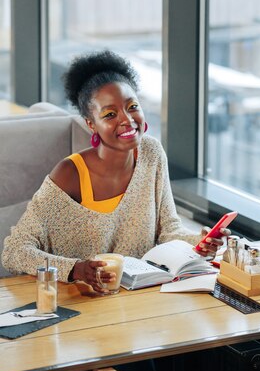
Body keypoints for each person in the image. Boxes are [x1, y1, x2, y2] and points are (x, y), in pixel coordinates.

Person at [2, 50, 227, 293]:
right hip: (80, 302)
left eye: (132, 107)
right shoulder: (70, 173)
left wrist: (201, 241)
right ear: (91, 125)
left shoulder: (151, 153)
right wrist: (76, 269)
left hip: (141, 297)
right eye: (110, 114)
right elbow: (15, 251)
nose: (127, 120)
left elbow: (168, 229)